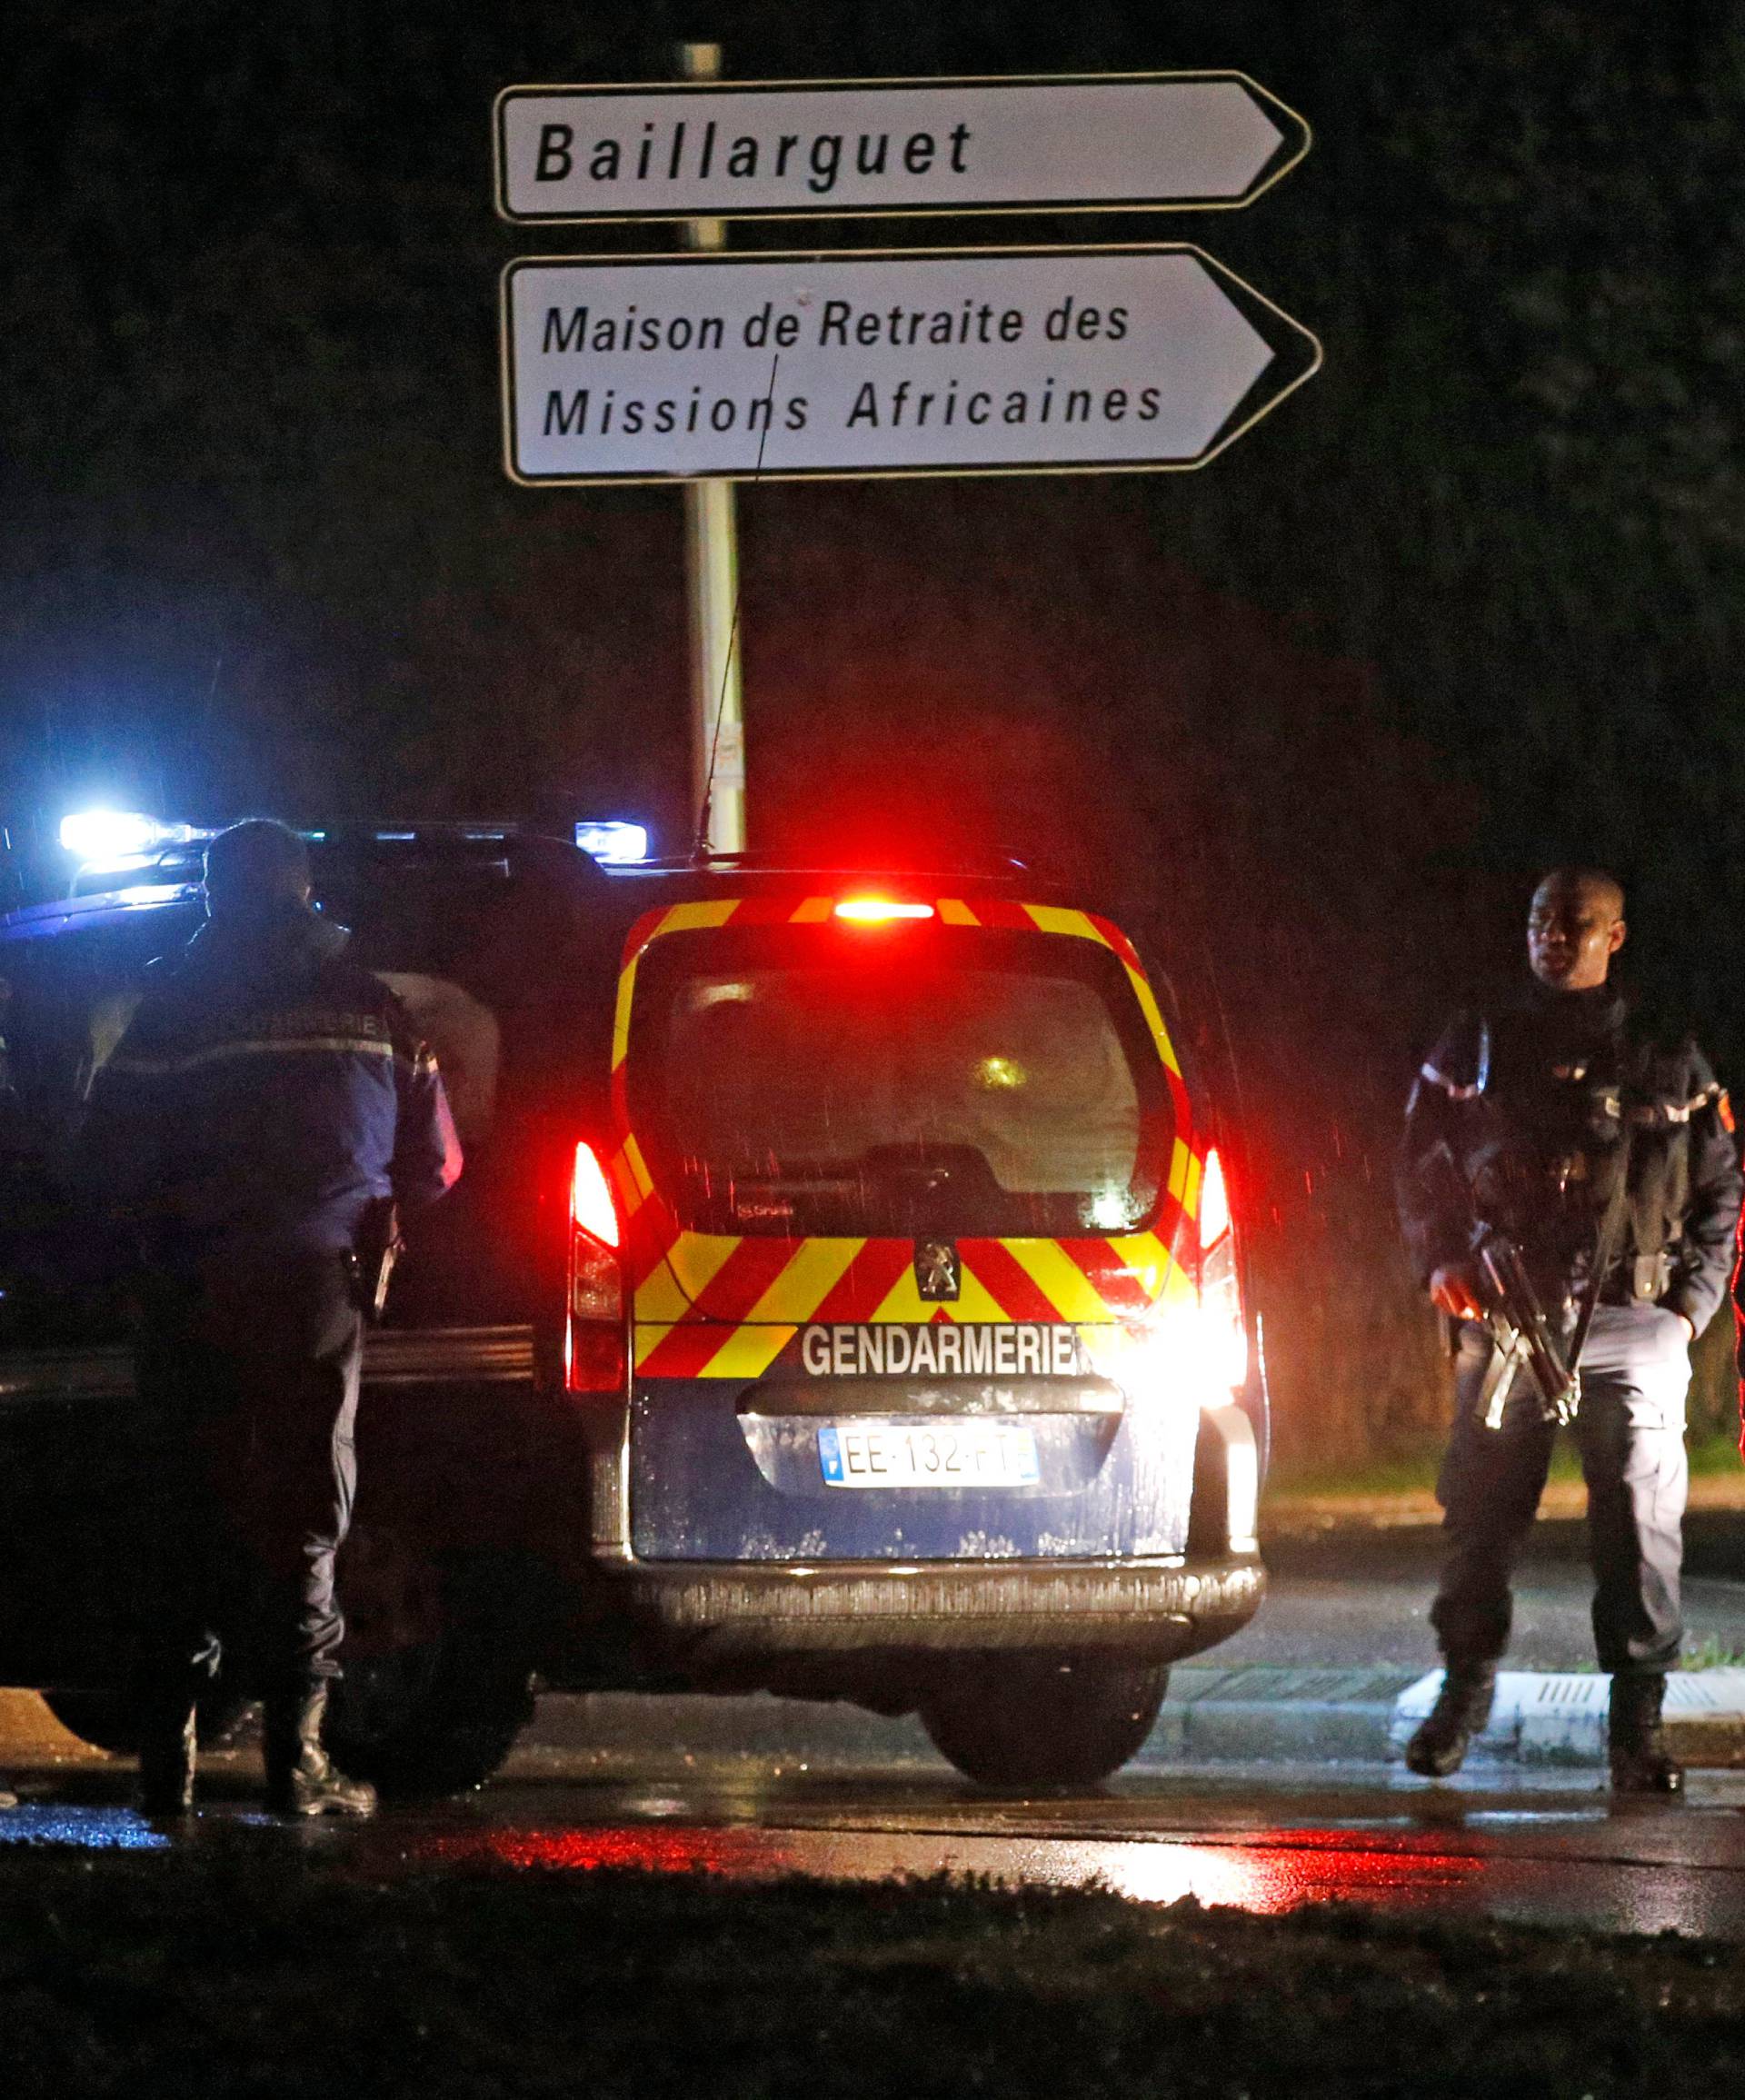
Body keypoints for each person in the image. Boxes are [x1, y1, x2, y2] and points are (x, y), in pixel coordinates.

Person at [83, 819, 462, 1816]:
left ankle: (168, 1767)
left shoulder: (171, 1010)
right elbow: (439, 1165)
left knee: (183, 1513)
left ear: (214, 898)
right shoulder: (371, 1005)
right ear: (303, 894)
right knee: (302, 1516)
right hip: (313, 1293)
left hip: (188, 1295)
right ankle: (298, 1765)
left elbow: (101, 1158)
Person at [1396, 868, 1742, 1793]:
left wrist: (1688, 1310)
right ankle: (1462, 1695)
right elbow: (1420, 1165)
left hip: (1633, 1317)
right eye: (1541, 919)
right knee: (1478, 1516)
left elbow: (1719, 1189)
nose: (1553, 934)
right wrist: (1441, 1262)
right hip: (1512, 1317)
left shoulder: (1670, 1054)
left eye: (1575, 921)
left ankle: (1638, 1727)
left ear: (1614, 936)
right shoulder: (1476, 1042)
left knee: (1638, 1518)